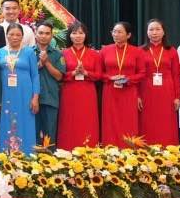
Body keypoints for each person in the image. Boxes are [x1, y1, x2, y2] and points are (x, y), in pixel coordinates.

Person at [0, 24, 39, 153]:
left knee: (25, 123)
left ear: (22, 37)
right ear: (6, 35)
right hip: (6, 94)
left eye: (18, 35)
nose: (14, 37)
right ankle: (5, 155)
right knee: (6, 122)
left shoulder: (29, 52)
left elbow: (35, 75)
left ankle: (27, 155)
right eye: (11, 34)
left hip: (25, 95)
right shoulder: (0, 52)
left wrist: (35, 97)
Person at [57, 21, 100, 150]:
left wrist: (86, 73)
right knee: (68, 122)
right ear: (69, 36)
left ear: (86, 35)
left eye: (81, 33)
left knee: (87, 121)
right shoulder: (63, 53)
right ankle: (66, 151)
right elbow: (60, 75)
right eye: (74, 33)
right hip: (69, 91)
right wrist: (73, 73)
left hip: (87, 92)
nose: (78, 36)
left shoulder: (94, 54)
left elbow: (99, 75)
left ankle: (89, 150)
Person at [100, 21, 143, 147]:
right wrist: (110, 77)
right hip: (110, 91)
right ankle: (110, 149)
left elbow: (142, 73)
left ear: (128, 35)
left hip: (129, 91)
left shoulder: (137, 51)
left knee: (128, 121)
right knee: (110, 122)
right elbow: (99, 73)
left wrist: (128, 79)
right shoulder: (105, 51)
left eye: (120, 32)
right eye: (114, 31)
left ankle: (128, 151)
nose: (116, 34)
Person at [140, 20, 180, 141]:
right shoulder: (140, 50)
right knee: (147, 121)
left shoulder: (171, 50)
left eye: (157, 29)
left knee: (166, 121)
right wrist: (137, 96)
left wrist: (178, 97)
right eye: (151, 30)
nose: (154, 32)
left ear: (163, 32)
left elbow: (176, 74)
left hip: (167, 91)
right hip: (146, 90)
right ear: (147, 32)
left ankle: (168, 149)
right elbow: (137, 75)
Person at [34, 23, 66, 147]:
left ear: (52, 36)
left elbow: (59, 76)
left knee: (49, 135)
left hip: (50, 99)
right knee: (33, 133)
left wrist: (46, 62)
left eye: (47, 33)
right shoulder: (29, 52)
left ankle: (50, 162)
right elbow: (25, 75)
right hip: (32, 100)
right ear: (36, 34)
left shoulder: (58, 54)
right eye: (41, 33)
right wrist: (38, 65)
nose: (44, 36)